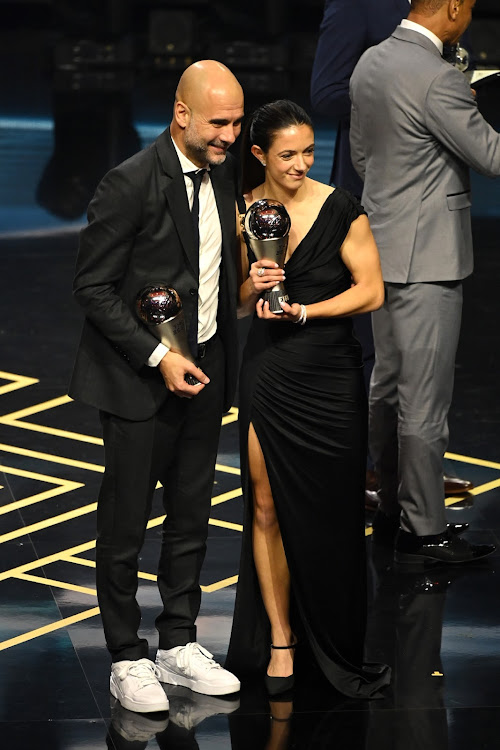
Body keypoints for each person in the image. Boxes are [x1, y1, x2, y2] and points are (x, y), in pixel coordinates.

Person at [69, 60, 244, 713]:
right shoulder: (131, 183)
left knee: (193, 518)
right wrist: (154, 356)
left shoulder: (227, 178)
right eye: (219, 122)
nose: (231, 134)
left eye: (236, 121)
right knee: (126, 523)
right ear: (182, 115)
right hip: (137, 379)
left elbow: (215, 271)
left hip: (205, 373)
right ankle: (125, 655)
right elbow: (91, 287)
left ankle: (177, 642)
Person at [225, 99, 390, 698]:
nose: (300, 164)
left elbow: (371, 293)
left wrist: (305, 310)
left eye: (308, 153)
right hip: (269, 371)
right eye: (287, 154)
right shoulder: (242, 211)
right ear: (260, 155)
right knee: (264, 505)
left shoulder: (341, 207)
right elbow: (240, 306)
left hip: (330, 372)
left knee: (333, 511)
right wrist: (254, 285)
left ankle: (335, 636)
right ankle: (279, 638)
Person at [349, 0, 500, 565]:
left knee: (388, 385)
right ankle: (425, 528)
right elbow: (490, 155)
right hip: (430, 258)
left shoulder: (370, 62)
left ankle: (391, 506)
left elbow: (362, 157)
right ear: (455, 8)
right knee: (425, 401)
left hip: (382, 248)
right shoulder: (439, 80)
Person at [310, 0, 475, 506]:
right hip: (380, 202)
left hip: (411, 204)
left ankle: (407, 481)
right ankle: (381, 485)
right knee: (377, 355)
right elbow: (327, 92)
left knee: (404, 364)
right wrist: (417, 95)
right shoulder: (358, 4)